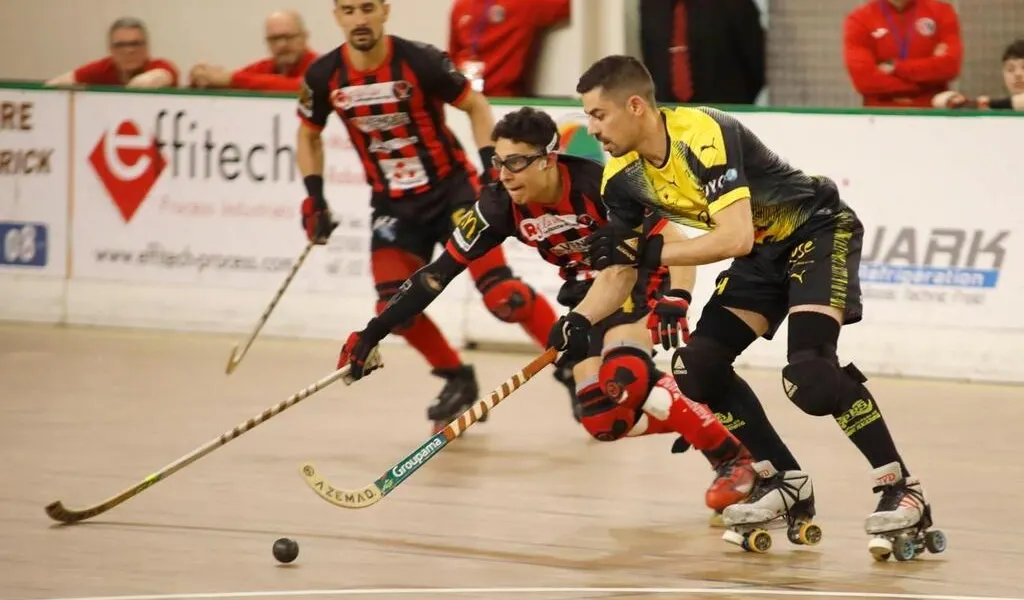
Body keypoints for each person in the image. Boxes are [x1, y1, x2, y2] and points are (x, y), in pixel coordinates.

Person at [570, 55, 940, 559]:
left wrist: (648, 252)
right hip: (762, 255)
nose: (592, 129)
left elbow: (734, 237)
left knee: (810, 376)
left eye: (598, 115)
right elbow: (620, 271)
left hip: (815, 231)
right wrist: (578, 320)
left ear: (635, 106)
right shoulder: (621, 177)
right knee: (697, 367)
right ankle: (784, 479)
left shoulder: (702, 133)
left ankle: (902, 487)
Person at [336, 106, 757, 513]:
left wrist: (676, 298)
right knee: (603, 421)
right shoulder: (497, 205)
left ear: (549, 159)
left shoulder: (604, 185)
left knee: (626, 375)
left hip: (636, 277)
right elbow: (435, 275)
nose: (504, 174)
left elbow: (676, 238)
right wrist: (374, 331)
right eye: (499, 162)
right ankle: (702, 421)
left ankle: (734, 459)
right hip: (585, 297)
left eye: (516, 162)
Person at [296, 0, 568, 432]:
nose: (359, 19)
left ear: (384, 11)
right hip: (393, 207)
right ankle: (456, 378)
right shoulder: (323, 75)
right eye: (348, 10)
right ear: (336, 17)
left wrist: (490, 172)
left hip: (452, 193)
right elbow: (308, 135)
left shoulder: (419, 60)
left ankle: (570, 363)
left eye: (367, 8)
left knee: (504, 298)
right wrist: (314, 197)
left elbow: (476, 105)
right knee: (394, 309)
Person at [843, 0, 962, 108]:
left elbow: (949, 66)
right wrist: (924, 86)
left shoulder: (941, 12)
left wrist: (895, 67)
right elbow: (865, 81)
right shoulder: (860, 18)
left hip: (932, 113)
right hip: (880, 115)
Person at [447, 0, 570, 97]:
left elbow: (574, 6)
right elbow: (452, 59)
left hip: (502, 101)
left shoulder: (525, 4)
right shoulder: (461, 6)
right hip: (462, 98)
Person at [189, 10, 318, 93]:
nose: (281, 44)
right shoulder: (264, 66)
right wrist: (204, 77)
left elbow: (299, 88)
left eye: (288, 37)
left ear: (304, 37)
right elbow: (238, 79)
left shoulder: (320, 66)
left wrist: (230, 79)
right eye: (274, 39)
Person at [46, 17, 178, 89]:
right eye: (121, 45)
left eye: (135, 43)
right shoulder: (103, 68)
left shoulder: (160, 66)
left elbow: (160, 77)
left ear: (147, 47)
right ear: (111, 50)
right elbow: (54, 85)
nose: (129, 50)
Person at [933, 38, 1024, 111]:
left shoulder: (994, 106)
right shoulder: (997, 112)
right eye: (1010, 69)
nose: (1018, 74)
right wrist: (957, 101)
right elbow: (938, 100)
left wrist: (986, 103)